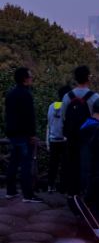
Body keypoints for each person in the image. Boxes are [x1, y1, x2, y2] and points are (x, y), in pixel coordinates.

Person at [3, 67, 42, 203]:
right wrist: (32, 134)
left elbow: (8, 115)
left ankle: (11, 191)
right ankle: (27, 195)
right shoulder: (26, 94)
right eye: (30, 76)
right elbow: (29, 117)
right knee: (26, 164)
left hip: (13, 133)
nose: (32, 78)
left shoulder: (10, 94)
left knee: (13, 162)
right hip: (24, 134)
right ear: (25, 79)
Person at [62, 65, 99, 198]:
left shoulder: (67, 96)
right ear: (88, 78)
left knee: (72, 165)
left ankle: (72, 193)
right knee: (88, 166)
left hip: (72, 137)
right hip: (89, 137)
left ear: (75, 78)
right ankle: (87, 194)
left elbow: (63, 117)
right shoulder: (95, 97)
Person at [47, 85, 72, 193]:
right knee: (65, 165)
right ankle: (63, 188)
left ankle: (50, 186)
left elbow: (49, 122)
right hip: (64, 140)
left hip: (53, 139)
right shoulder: (68, 107)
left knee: (53, 164)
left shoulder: (52, 106)